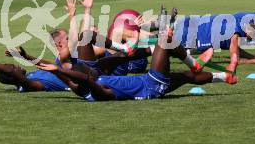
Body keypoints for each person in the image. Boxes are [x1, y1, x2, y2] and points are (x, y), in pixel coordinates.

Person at [37, 25, 238, 102]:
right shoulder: (96, 92)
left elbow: (77, 80)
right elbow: (83, 79)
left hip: (149, 83)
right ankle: (191, 61)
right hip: (150, 85)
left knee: (188, 77)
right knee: (164, 41)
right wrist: (58, 69)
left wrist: (55, 70)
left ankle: (224, 77)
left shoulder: (86, 86)